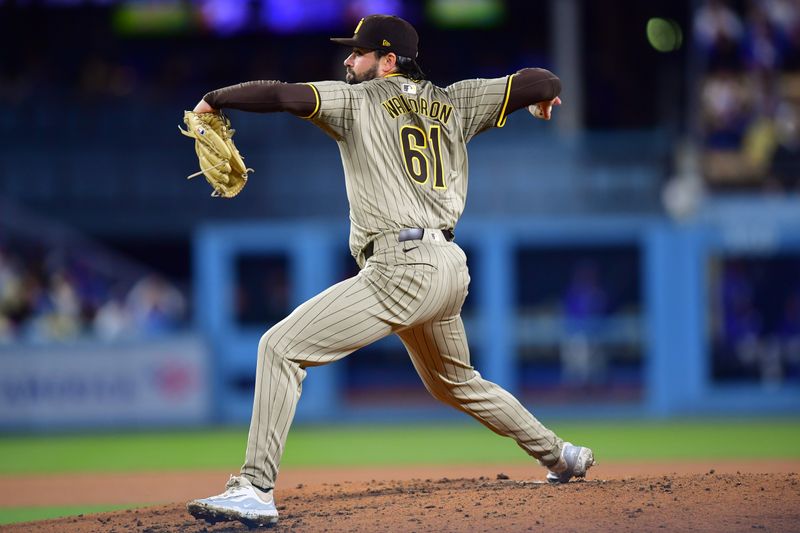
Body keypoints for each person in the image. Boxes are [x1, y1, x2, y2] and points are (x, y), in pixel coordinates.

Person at [187, 14, 595, 528]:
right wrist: (538, 98)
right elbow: (544, 81)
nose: (347, 61)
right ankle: (562, 455)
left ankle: (254, 488)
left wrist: (216, 98)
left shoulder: (356, 100)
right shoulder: (455, 101)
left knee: (279, 347)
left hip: (401, 267)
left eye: (357, 53)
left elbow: (285, 96)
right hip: (449, 268)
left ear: (388, 61)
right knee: (457, 382)